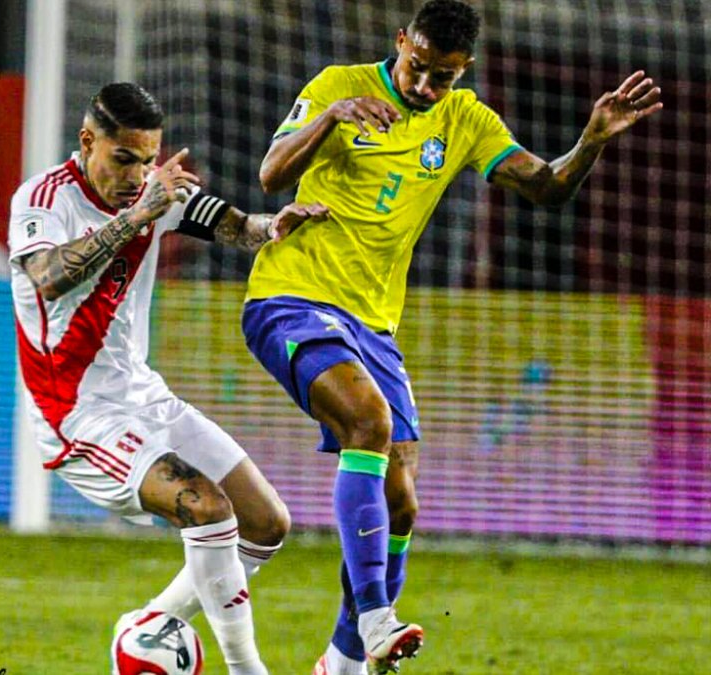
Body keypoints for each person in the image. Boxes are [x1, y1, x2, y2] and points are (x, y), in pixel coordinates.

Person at [248, 1, 662, 673]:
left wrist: (593, 138)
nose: (424, 88)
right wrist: (331, 118)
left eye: (443, 76)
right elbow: (270, 174)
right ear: (399, 42)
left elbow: (547, 187)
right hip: (292, 295)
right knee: (369, 422)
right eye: (417, 69)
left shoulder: (465, 119)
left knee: (403, 501)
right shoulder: (336, 84)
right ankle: (379, 615)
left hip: (374, 323)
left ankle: (344, 660)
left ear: (462, 69)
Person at [11, 82, 328, 675]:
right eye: (123, 159)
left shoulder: (154, 190)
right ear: (88, 142)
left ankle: (145, 626)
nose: (136, 174)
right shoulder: (44, 198)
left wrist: (271, 227)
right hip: (77, 415)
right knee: (206, 507)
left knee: (266, 522)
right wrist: (139, 214)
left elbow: (229, 224)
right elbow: (48, 277)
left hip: (145, 395)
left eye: (147, 160)